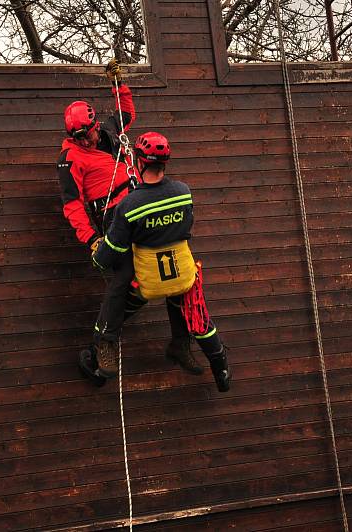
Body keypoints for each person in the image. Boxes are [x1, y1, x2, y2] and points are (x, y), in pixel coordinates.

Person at [58, 60, 202, 383]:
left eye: (89, 132)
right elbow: (73, 206)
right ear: (71, 136)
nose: (87, 140)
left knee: (176, 270)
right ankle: (103, 347)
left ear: (95, 124)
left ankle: (180, 341)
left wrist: (118, 81)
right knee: (122, 278)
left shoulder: (108, 135)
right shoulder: (69, 159)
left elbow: (127, 112)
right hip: (114, 217)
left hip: (143, 204)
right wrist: (92, 239)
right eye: (79, 137)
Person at [91, 132, 232, 392]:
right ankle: (192, 351)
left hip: (151, 282)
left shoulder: (129, 205)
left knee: (118, 288)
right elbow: (185, 227)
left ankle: (103, 347)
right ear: (164, 162)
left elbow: (113, 248)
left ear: (139, 162)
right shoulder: (183, 192)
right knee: (190, 308)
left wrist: (98, 258)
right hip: (183, 275)